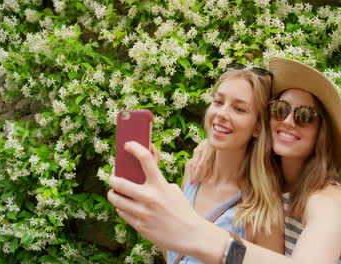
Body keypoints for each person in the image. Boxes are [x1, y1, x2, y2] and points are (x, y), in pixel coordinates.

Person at [107, 57, 341, 264]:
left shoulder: (327, 199)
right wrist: (211, 144)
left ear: (322, 133)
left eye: (305, 116)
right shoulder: (267, 178)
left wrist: (199, 234)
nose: (288, 122)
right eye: (280, 110)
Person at [113, 63, 286, 264]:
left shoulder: (261, 211)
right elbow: (175, 255)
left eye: (239, 109)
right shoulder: (195, 172)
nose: (221, 113)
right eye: (218, 102)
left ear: (258, 127)